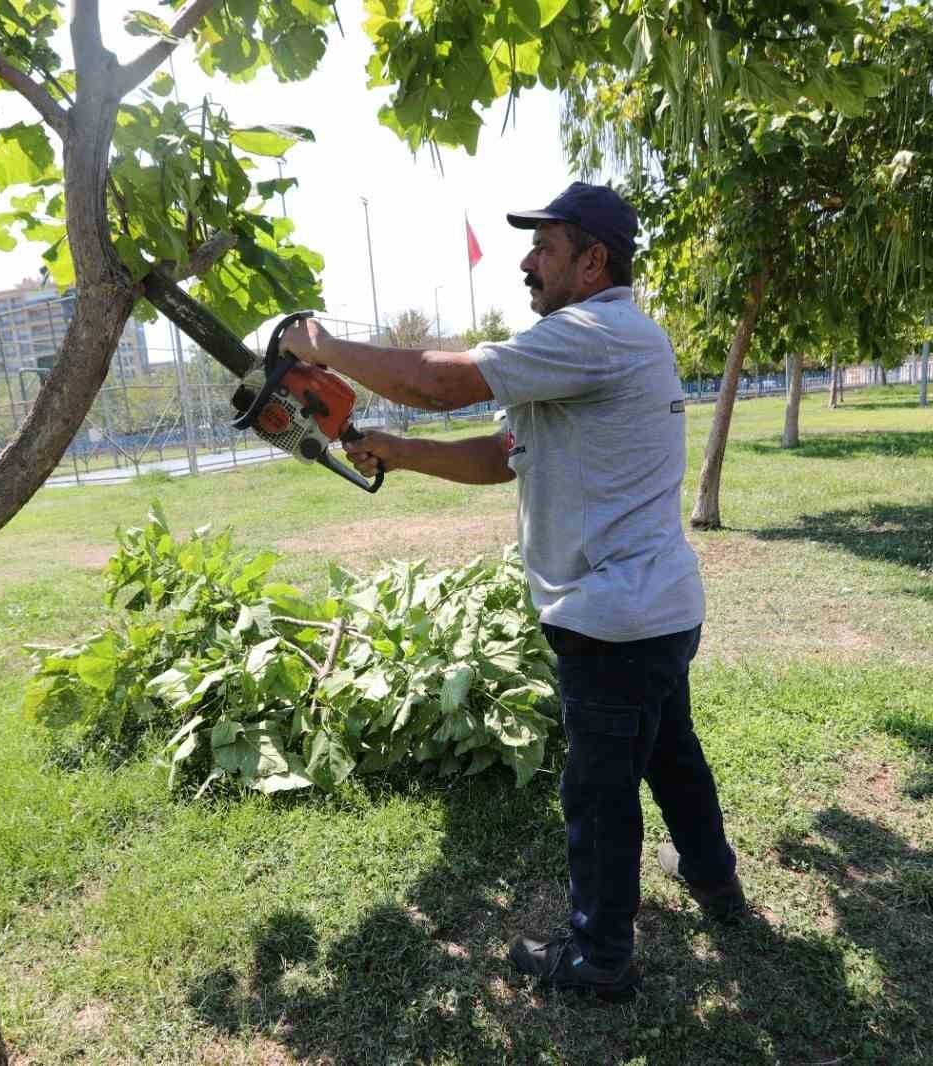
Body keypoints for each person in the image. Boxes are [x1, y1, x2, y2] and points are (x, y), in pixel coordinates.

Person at [279, 182, 743, 1003]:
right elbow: (504, 454)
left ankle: (601, 958)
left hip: (611, 619)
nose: (527, 265)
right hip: (656, 610)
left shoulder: (593, 331)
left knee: (597, 794)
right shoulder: (604, 343)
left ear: (593, 262)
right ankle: (713, 879)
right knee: (672, 755)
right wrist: (396, 449)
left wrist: (320, 344)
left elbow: (439, 381)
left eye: (545, 249)